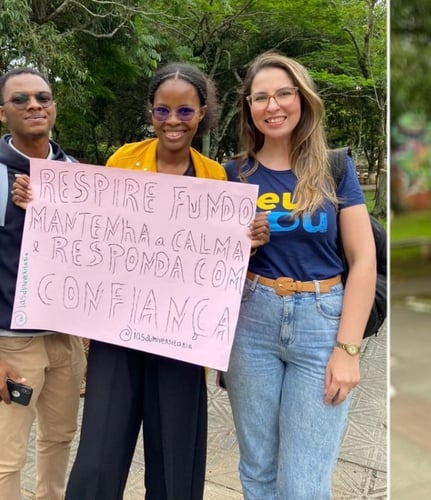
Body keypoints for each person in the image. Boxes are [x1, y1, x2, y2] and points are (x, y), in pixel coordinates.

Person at [55, 62, 268, 500]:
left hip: (183, 337)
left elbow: (218, 259)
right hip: (118, 332)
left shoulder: (216, 175)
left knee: (176, 453)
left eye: (185, 112)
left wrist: (248, 241)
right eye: (162, 111)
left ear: (202, 112)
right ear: (151, 113)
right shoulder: (123, 160)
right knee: (99, 450)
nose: (173, 121)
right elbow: (94, 230)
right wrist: (43, 201)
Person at [222, 51, 376, 499]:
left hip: (321, 322)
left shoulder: (335, 168)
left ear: (302, 99)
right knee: (258, 470)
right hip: (251, 322)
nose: (273, 106)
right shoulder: (232, 175)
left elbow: (362, 258)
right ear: (248, 107)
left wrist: (348, 350)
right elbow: (205, 260)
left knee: (303, 481)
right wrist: (238, 245)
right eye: (261, 97)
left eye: (283, 94)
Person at [0, 67, 87, 500]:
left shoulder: (76, 173)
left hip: (65, 338)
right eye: (20, 99)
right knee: (5, 458)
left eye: (42, 97)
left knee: (59, 439)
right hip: (12, 343)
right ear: (3, 113)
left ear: (53, 106)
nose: (33, 105)